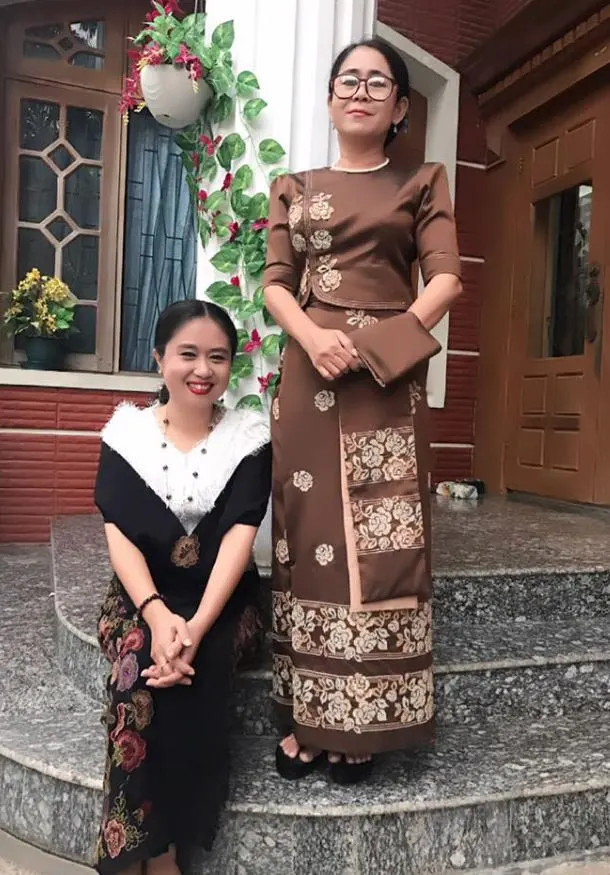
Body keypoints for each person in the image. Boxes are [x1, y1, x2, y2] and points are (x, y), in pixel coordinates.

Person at [263, 37, 462, 785]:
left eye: (378, 82)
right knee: (310, 537)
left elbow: (444, 282)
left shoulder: (422, 184)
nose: (361, 90)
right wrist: (316, 337)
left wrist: (374, 344)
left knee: (381, 543)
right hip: (309, 376)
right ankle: (312, 716)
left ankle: (366, 720)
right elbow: (278, 281)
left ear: (401, 107)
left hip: (385, 380)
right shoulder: (293, 186)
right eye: (348, 79)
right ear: (329, 97)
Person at [93, 300, 271, 874]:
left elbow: (240, 543)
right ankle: (142, 848)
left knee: (200, 660)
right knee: (140, 662)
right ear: (159, 358)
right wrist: (155, 613)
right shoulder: (126, 435)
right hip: (141, 594)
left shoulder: (249, 440)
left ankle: (168, 852)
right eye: (187, 354)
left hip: (223, 600)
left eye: (217, 357)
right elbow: (119, 537)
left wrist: (194, 627)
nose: (203, 370)